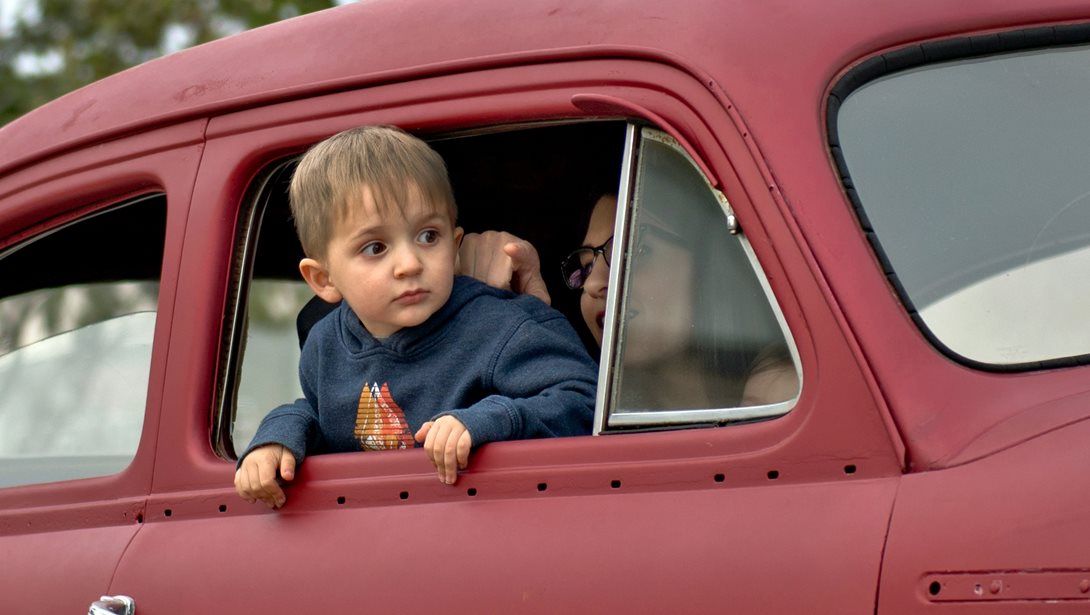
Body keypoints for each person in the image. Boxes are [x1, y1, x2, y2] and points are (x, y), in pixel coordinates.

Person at [235, 125, 597, 508]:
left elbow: (584, 401)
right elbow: (323, 413)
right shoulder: (324, 346)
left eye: (428, 236)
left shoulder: (503, 326)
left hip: (492, 522)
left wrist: (487, 421)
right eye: (375, 247)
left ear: (454, 246)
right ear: (323, 279)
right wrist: (276, 439)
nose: (409, 264)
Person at [560, 193, 798, 409]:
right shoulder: (591, 416)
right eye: (586, 267)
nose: (591, 284)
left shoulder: (783, 401)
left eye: (633, 251)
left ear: (713, 261)